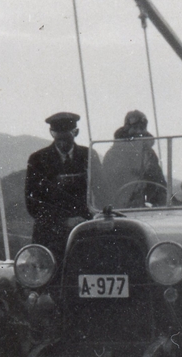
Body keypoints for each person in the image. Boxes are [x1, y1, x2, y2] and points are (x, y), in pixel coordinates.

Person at [24, 111, 98, 259]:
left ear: (75, 133)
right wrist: (63, 221)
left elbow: (103, 191)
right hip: (50, 237)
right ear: (52, 134)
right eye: (58, 137)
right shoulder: (37, 160)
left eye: (67, 137)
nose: (62, 143)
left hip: (85, 232)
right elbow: (33, 204)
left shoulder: (89, 156)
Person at [100, 110, 166, 207]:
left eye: (142, 128)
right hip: (120, 207)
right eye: (135, 128)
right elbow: (107, 186)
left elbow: (159, 182)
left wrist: (167, 201)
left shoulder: (149, 154)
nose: (139, 132)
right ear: (127, 129)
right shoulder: (113, 154)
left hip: (144, 206)